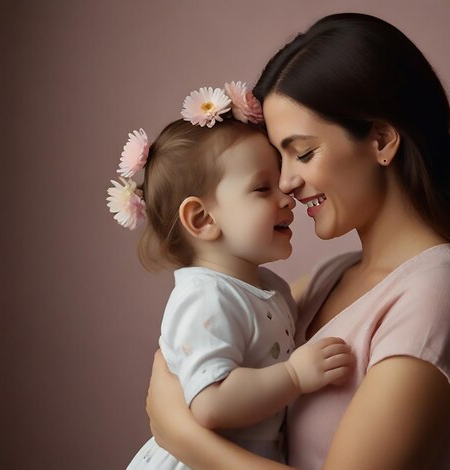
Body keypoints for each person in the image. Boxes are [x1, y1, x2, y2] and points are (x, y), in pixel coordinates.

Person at [144, 13, 450, 470]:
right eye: (277, 160)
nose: (287, 182)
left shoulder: (441, 296)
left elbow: (175, 396)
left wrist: (181, 436)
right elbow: (195, 342)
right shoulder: (331, 277)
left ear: (382, 139)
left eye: (303, 152)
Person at [107, 84, 353, 469]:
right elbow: (211, 401)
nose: (287, 195)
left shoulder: (267, 286)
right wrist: (293, 375)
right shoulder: (205, 297)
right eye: (262, 187)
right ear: (202, 219)